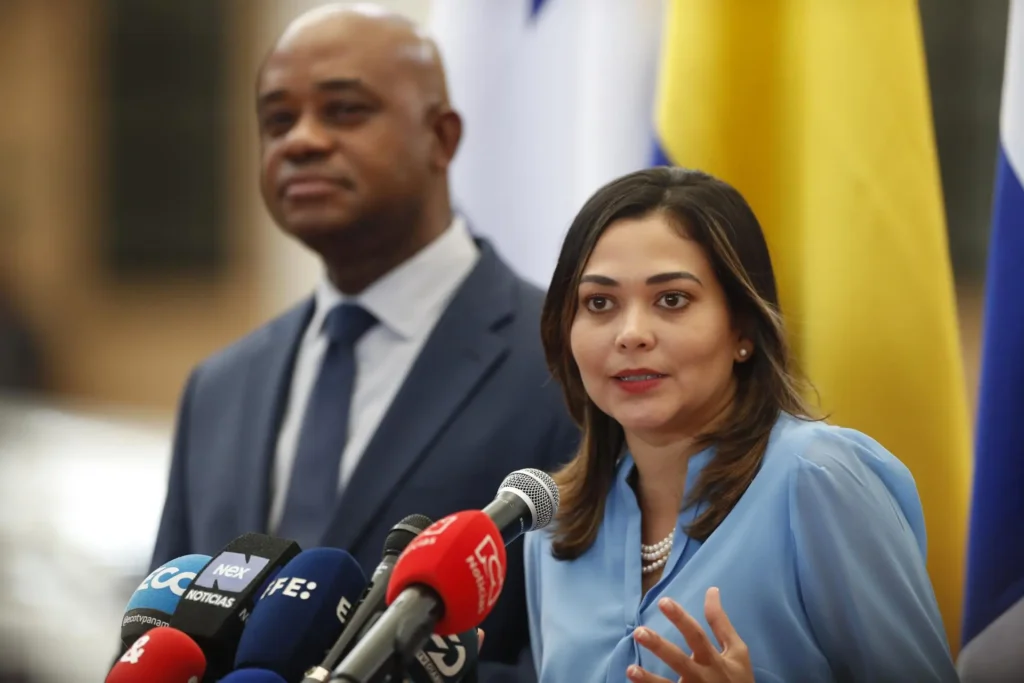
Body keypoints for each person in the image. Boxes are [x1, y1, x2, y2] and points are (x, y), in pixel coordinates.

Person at [149, 4, 577, 679]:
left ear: (441, 137)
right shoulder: (219, 387)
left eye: (344, 111)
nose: (302, 140)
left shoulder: (566, 360)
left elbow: (584, 653)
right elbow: (159, 635)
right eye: (277, 120)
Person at [524, 167, 959, 682]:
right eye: (600, 303)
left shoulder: (818, 477)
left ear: (743, 329)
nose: (631, 334)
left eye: (672, 300)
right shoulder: (552, 527)